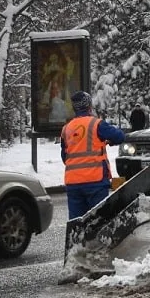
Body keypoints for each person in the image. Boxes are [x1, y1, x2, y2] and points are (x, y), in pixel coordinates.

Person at [60, 91, 126, 219]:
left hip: (73, 183)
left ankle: (77, 240)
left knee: (76, 224)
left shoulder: (66, 128)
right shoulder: (96, 124)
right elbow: (119, 137)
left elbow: (65, 157)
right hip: (95, 181)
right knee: (98, 221)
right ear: (89, 106)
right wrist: (109, 141)